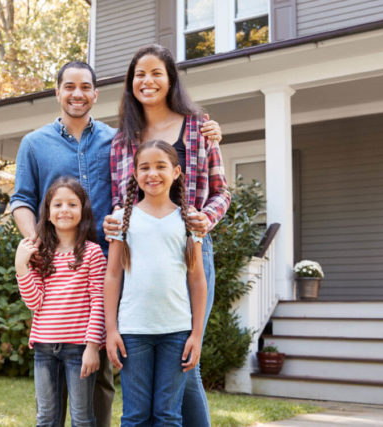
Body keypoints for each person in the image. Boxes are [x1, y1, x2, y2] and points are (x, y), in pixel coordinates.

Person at [10, 60, 221, 427]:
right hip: (61, 268)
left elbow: (159, 161)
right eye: (69, 86)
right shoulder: (34, 143)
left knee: (105, 368)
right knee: (59, 357)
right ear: (56, 91)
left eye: (85, 87)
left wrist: (210, 132)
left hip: (116, 259)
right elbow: (22, 200)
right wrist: (35, 246)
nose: (77, 94)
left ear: (96, 93)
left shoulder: (117, 138)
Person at [104, 44, 230, 427]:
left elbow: (221, 191)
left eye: (156, 72)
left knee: (186, 359)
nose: (148, 81)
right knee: (177, 370)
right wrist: (113, 223)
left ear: (171, 79)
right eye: (139, 74)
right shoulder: (122, 140)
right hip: (139, 256)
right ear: (130, 83)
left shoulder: (199, 126)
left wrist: (203, 220)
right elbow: (119, 201)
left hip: (190, 249)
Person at [104, 139, 207, 426]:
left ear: (176, 172)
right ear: (135, 175)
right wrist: (111, 330)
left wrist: (196, 335)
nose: (153, 174)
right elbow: (112, 276)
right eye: (145, 167)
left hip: (176, 332)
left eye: (161, 166)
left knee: (168, 415)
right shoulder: (122, 220)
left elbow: (197, 279)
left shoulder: (189, 220)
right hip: (133, 332)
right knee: (135, 416)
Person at [16, 176, 107, 427]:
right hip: (44, 348)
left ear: (83, 210)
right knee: (46, 418)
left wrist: (92, 346)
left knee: (81, 417)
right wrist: (21, 266)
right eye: (57, 205)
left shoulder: (92, 253)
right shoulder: (40, 254)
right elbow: (34, 302)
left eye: (72, 204)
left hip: (79, 348)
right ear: (46, 213)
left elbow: (98, 302)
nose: (64, 210)